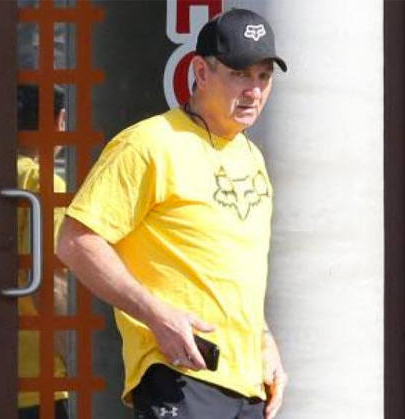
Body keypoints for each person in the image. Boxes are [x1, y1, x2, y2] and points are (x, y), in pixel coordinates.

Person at [56, 8, 288, 419]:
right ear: (200, 71)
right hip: (180, 372)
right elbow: (75, 241)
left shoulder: (251, 155)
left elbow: (235, 268)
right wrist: (155, 315)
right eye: (239, 73)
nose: (254, 90)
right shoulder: (148, 144)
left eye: (263, 76)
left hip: (247, 380)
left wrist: (263, 337)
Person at [15, 85, 70, 419]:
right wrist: (73, 356)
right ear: (59, 121)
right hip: (41, 374)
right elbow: (50, 283)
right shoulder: (45, 183)